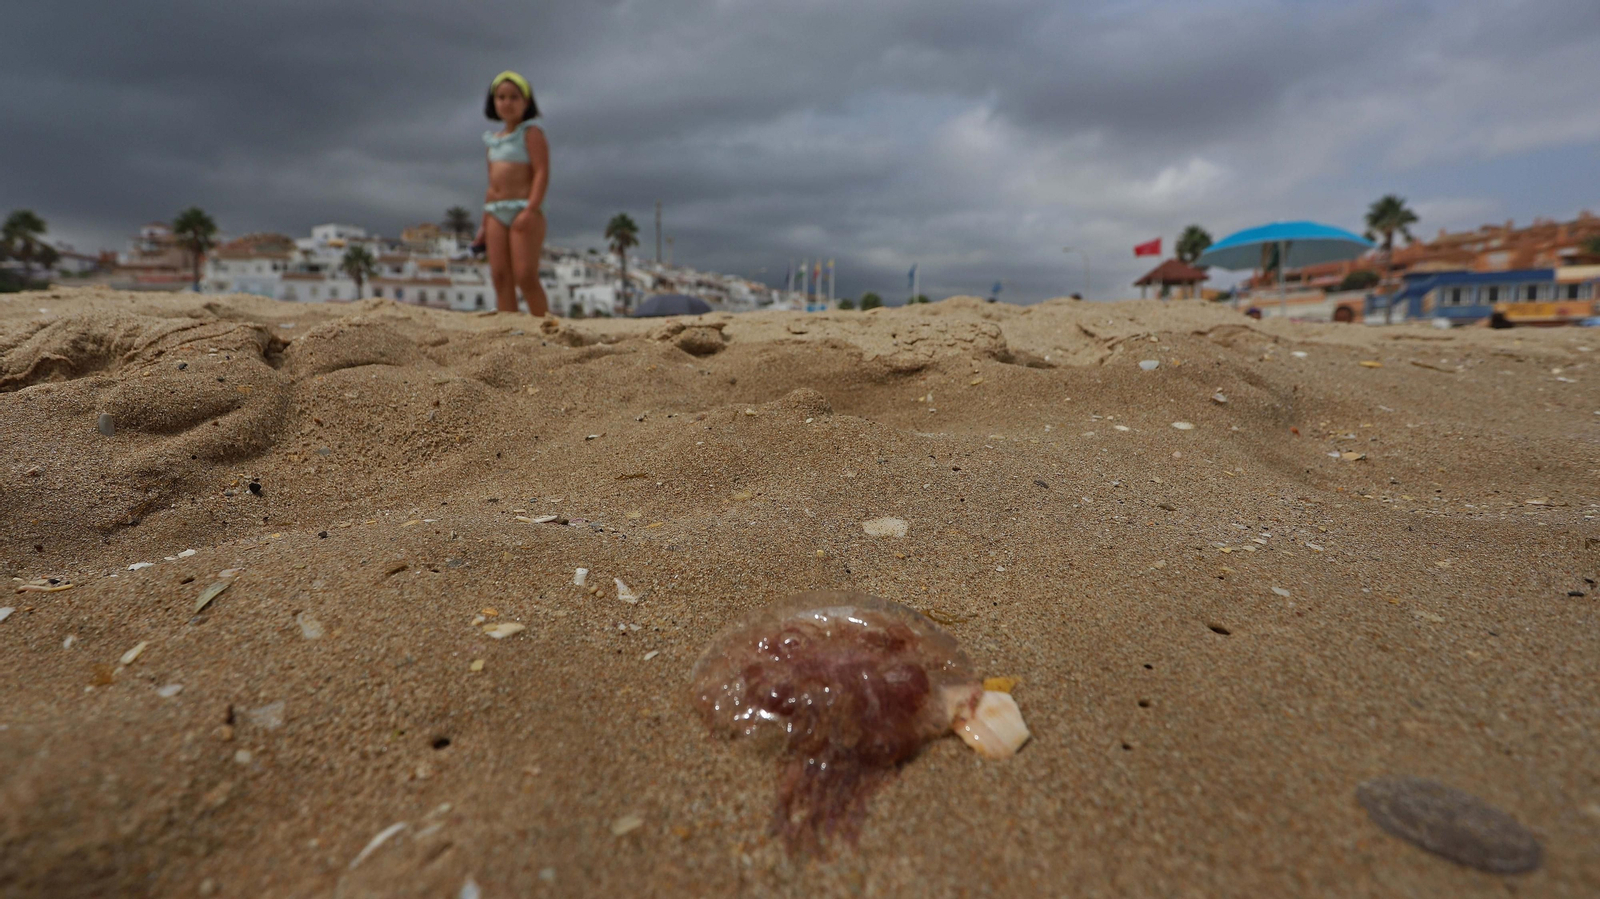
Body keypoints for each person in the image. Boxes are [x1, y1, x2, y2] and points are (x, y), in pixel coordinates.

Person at [473, 71, 550, 315]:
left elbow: (541, 172)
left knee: (525, 275)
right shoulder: (493, 141)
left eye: (514, 97)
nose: (507, 103)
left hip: (523, 209)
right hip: (495, 212)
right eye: (501, 97)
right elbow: (491, 184)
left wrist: (531, 209)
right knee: (500, 276)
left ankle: (545, 325)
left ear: (526, 102)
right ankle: (510, 326)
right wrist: (483, 224)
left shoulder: (531, 133)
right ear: (493, 102)